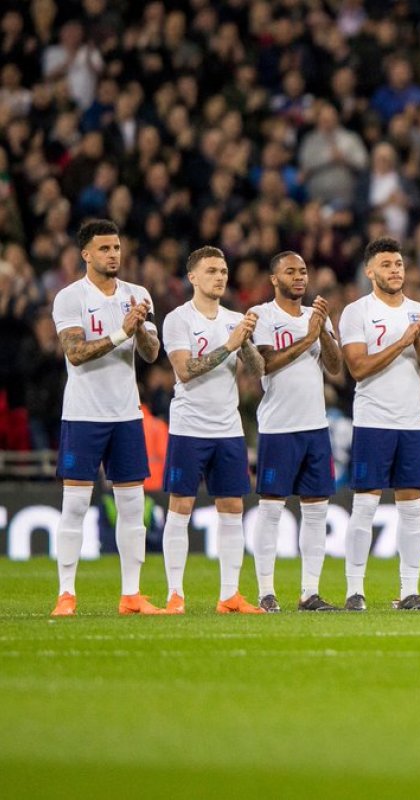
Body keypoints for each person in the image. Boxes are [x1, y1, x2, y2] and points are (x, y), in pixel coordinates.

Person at [50, 219, 163, 617]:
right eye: (104, 249)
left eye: (116, 248)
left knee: (133, 506)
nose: (113, 254)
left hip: (125, 414)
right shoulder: (69, 298)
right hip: (83, 415)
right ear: (86, 254)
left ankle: (131, 595)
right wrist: (121, 332)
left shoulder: (137, 294)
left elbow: (150, 353)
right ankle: (66, 594)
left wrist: (142, 330)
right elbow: (75, 353)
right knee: (76, 506)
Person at [158, 247, 265, 614]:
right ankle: (175, 594)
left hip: (228, 428)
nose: (220, 277)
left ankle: (230, 596)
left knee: (233, 506)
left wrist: (247, 341)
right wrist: (230, 343)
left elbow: (257, 370)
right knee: (181, 506)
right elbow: (185, 371)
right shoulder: (177, 320)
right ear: (193, 277)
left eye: (223, 270)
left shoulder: (235, 319)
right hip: (189, 427)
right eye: (211, 271)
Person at [340, 237, 420, 612]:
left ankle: (409, 591)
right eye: (386, 265)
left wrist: (417, 342)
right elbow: (358, 368)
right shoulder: (357, 312)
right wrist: (403, 341)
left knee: (412, 510)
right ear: (370, 271)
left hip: (411, 423)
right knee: (364, 508)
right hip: (372, 422)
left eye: (399, 264)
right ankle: (355, 591)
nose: (395, 270)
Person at [250, 251, 343, 613]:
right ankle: (266, 592)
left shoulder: (315, 316)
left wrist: (324, 332)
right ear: (274, 279)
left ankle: (309, 593)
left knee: (316, 510)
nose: (299, 277)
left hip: (315, 427)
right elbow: (266, 363)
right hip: (278, 427)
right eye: (290, 271)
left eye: (303, 270)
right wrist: (308, 338)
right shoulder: (262, 315)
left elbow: (334, 368)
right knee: (272, 509)